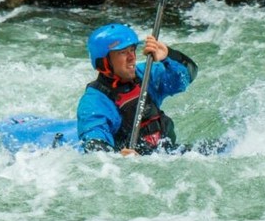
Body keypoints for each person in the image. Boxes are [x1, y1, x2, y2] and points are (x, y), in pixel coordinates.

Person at [77, 22, 198, 155]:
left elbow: (188, 75)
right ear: (104, 63)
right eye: (123, 52)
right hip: (134, 168)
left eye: (132, 50)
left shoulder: (145, 74)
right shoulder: (94, 103)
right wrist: (118, 158)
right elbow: (95, 150)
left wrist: (167, 56)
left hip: (168, 154)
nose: (132, 58)